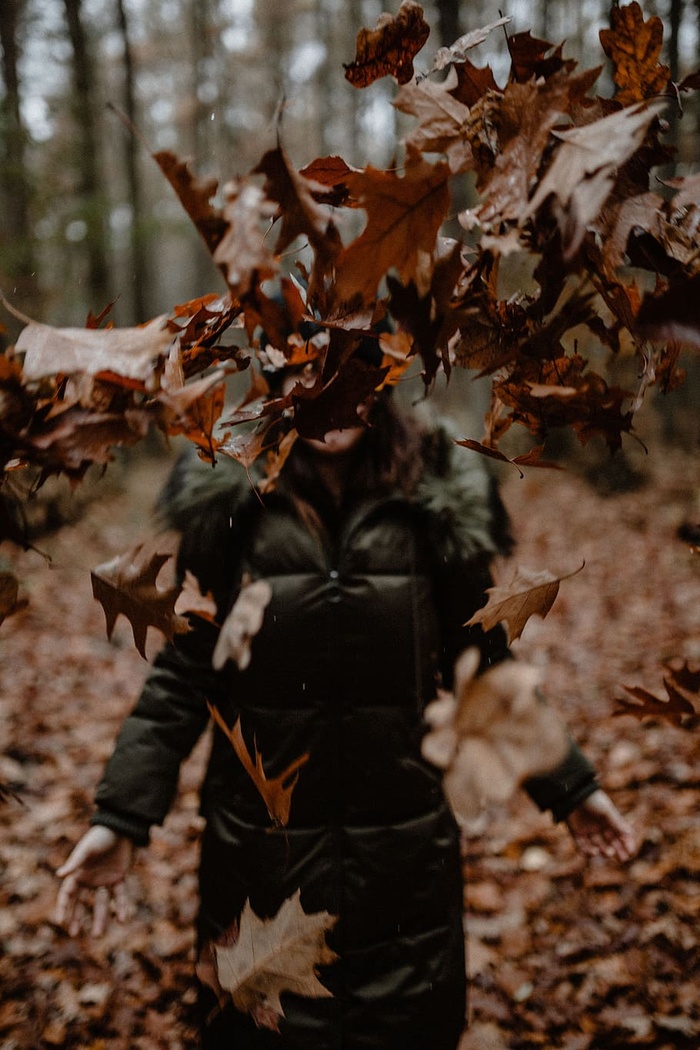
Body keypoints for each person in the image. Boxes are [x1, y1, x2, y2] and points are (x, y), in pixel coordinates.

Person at [56, 350, 637, 1050]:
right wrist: (121, 818)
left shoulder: (436, 498)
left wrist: (572, 789)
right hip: (259, 868)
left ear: (382, 381)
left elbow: (482, 665)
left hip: (404, 873)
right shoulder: (229, 502)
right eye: (306, 372)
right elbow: (185, 673)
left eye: (348, 371)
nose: (327, 394)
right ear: (276, 388)